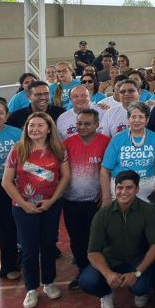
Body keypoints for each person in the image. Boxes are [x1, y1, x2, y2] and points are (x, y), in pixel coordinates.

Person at [1, 112, 70, 308]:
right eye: (31, 126)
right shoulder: (18, 150)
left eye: (40, 125)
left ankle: (49, 282)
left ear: (49, 129)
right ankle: (31, 288)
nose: (35, 129)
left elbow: (65, 177)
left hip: (51, 206)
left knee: (49, 245)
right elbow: (7, 182)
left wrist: (51, 201)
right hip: (23, 209)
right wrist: (24, 205)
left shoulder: (58, 149)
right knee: (29, 249)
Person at [79, 170, 155, 308]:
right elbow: (93, 252)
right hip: (111, 260)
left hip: (137, 261)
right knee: (86, 281)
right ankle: (106, 293)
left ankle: (140, 291)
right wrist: (107, 273)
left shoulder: (149, 210)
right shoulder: (102, 215)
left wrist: (137, 273)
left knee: (140, 287)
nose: (123, 192)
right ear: (114, 188)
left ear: (137, 189)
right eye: (119, 187)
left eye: (129, 188)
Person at [62, 109, 110, 289]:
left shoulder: (106, 142)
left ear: (97, 125)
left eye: (87, 123)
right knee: (77, 239)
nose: (82, 127)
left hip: (95, 202)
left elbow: (110, 170)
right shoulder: (67, 143)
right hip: (71, 201)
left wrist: (105, 192)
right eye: (79, 123)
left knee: (97, 238)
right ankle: (83, 270)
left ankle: (99, 270)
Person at [100, 102, 155, 204]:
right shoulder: (117, 139)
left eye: (141, 117)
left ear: (147, 119)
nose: (137, 120)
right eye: (133, 117)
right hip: (121, 191)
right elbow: (105, 170)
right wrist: (106, 197)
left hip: (147, 193)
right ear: (128, 119)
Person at [0, 100, 22, 280]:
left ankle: (10, 264)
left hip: (12, 184)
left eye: (0, 113)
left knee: (9, 225)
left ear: (6, 115)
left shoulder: (17, 134)